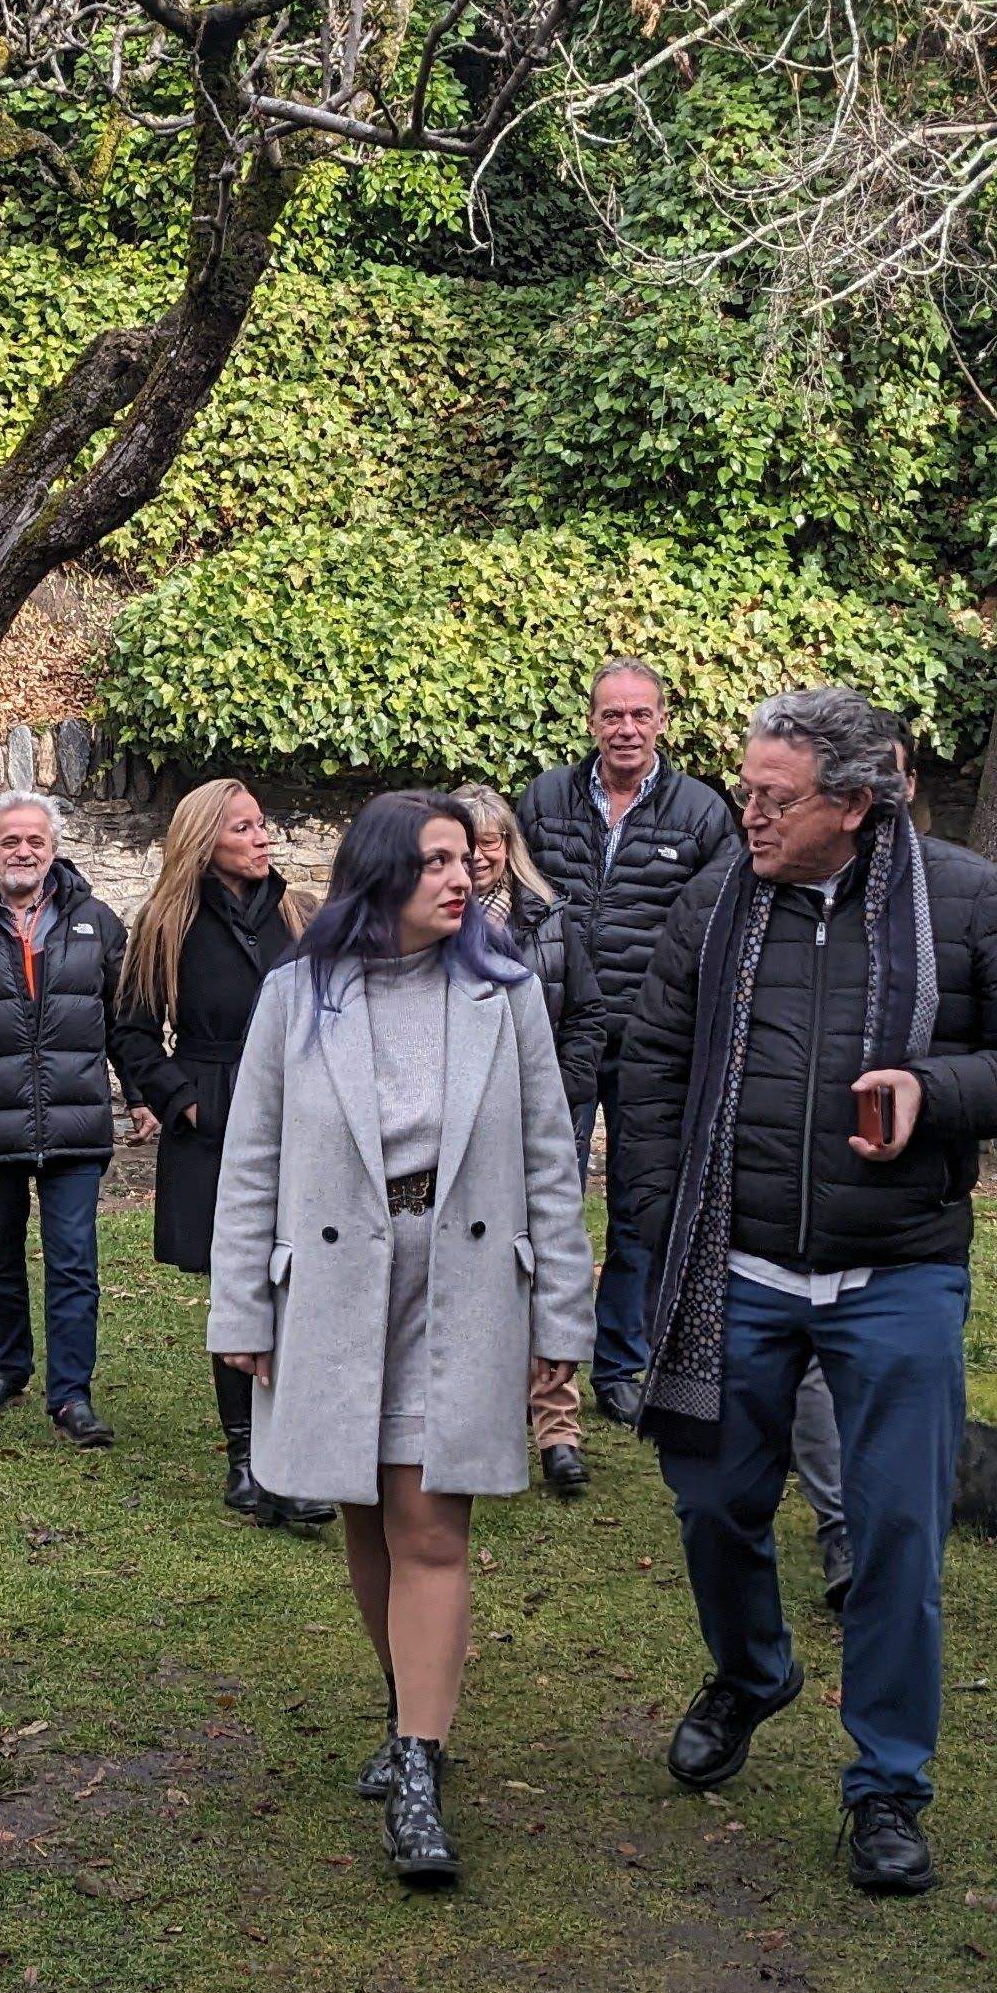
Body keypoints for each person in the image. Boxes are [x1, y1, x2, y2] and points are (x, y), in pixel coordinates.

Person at [613, 687, 997, 1897]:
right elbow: (653, 1065)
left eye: (774, 799)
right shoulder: (718, 899)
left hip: (900, 1274)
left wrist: (934, 1092)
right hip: (739, 1269)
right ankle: (754, 1670)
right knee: (714, 1504)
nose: (748, 815)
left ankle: (885, 1788)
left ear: (856, 804)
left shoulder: (968, 902)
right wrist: (669, 1231)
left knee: (895, 1539)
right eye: (746, 790)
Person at [207, 792, 591, 1890]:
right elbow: (254, 1163)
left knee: (431, 1522)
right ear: (380, 875)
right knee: (367, 1515)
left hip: (464, 1281)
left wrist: (561, 1317)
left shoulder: (505, 992)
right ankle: (404, 1705)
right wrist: (242, 1310)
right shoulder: (298, 996)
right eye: (432, 863)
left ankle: (420, 1765)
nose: (460, 878)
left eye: (464, 860)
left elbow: (551, 1162)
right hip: (333, 1287)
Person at [514, 659, 738, 1425]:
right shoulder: (543, 800)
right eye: (612, 715)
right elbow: (516, 901)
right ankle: (542, 1360)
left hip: (654, 1040)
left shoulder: (704, 814)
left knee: (641, 1207)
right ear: (590, 722)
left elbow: (722, 925)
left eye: (640, 714)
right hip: (559, 1031)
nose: (626, 729)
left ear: (664, 720)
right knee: (549, 1198)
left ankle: (622, 1363)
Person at [114, 778, 334, 1531]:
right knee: (241, 1287)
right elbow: (134, 1033)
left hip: (299, 1115)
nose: (261, 836)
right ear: (206, 838)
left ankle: (294, 1457)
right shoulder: (167, 923)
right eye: (243, 827)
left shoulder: (300, 915)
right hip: (213, 1118)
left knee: (301, 1283)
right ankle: (245, 1460)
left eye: (262, 823)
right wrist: (185, 1099)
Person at [0, 791, 137, 1448]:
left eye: (36, 840)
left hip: (75, 1126)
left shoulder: (98, 922)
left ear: (54, 849)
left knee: (74, 1263)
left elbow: (125, 1024)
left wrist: (145, 1094)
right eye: (10, 840)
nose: (24, 851)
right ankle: (10, 1366)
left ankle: (71, 1396)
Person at [450, 782, 585, 1501]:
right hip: (472, 1134)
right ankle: (489, 1422)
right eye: (462, 848)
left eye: (489, 844)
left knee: (553, 1262)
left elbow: (586, 1016)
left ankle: (558, 1431)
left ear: (509, 847)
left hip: (550, 1114)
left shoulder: (551, 918)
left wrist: (564, 1096)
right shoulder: (431, 931)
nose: (476, 861)